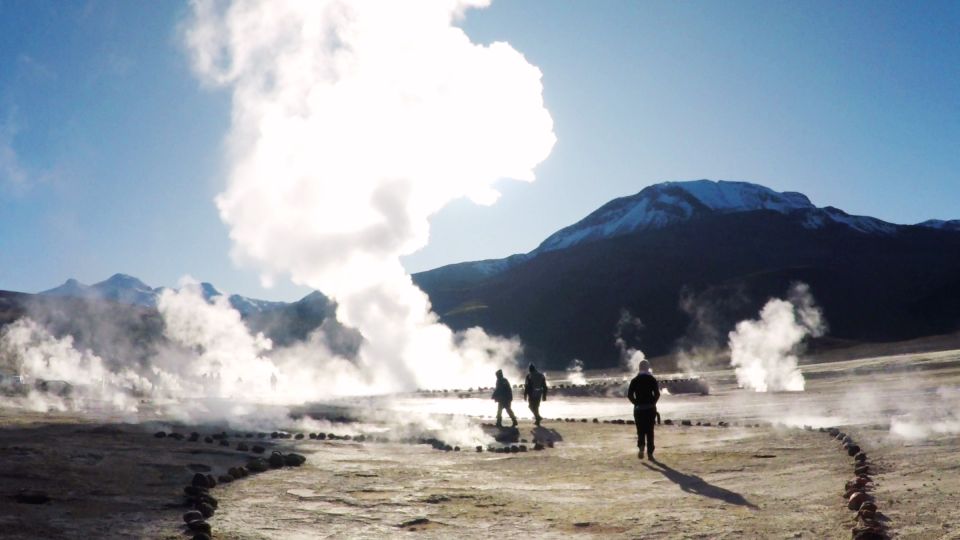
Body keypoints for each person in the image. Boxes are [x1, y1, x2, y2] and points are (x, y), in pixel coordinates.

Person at [627, 359, 660, 460]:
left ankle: (641, 446)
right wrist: (653, 403)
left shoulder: (635, 380)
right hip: (650, 409)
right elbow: (657, 394)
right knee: (650, 431)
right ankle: (650, 452)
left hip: (638, 409)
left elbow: (629, 395)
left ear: (639, 368)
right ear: (648, 368)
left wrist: (636, 403)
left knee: (640, 430)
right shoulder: (652, 379)